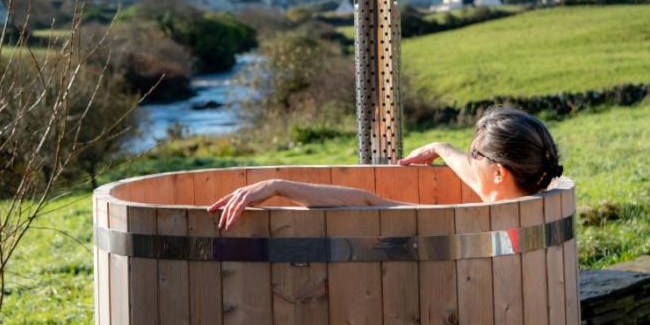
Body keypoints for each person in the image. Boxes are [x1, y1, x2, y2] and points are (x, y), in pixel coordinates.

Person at [208, 107, 564, 230]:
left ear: (500, 172)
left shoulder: (471, 222)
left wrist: (277, 186)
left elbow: (365, 202)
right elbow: (478, 177)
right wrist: (444, 148)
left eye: (476, 156)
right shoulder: (540, 194)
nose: (470, 162)